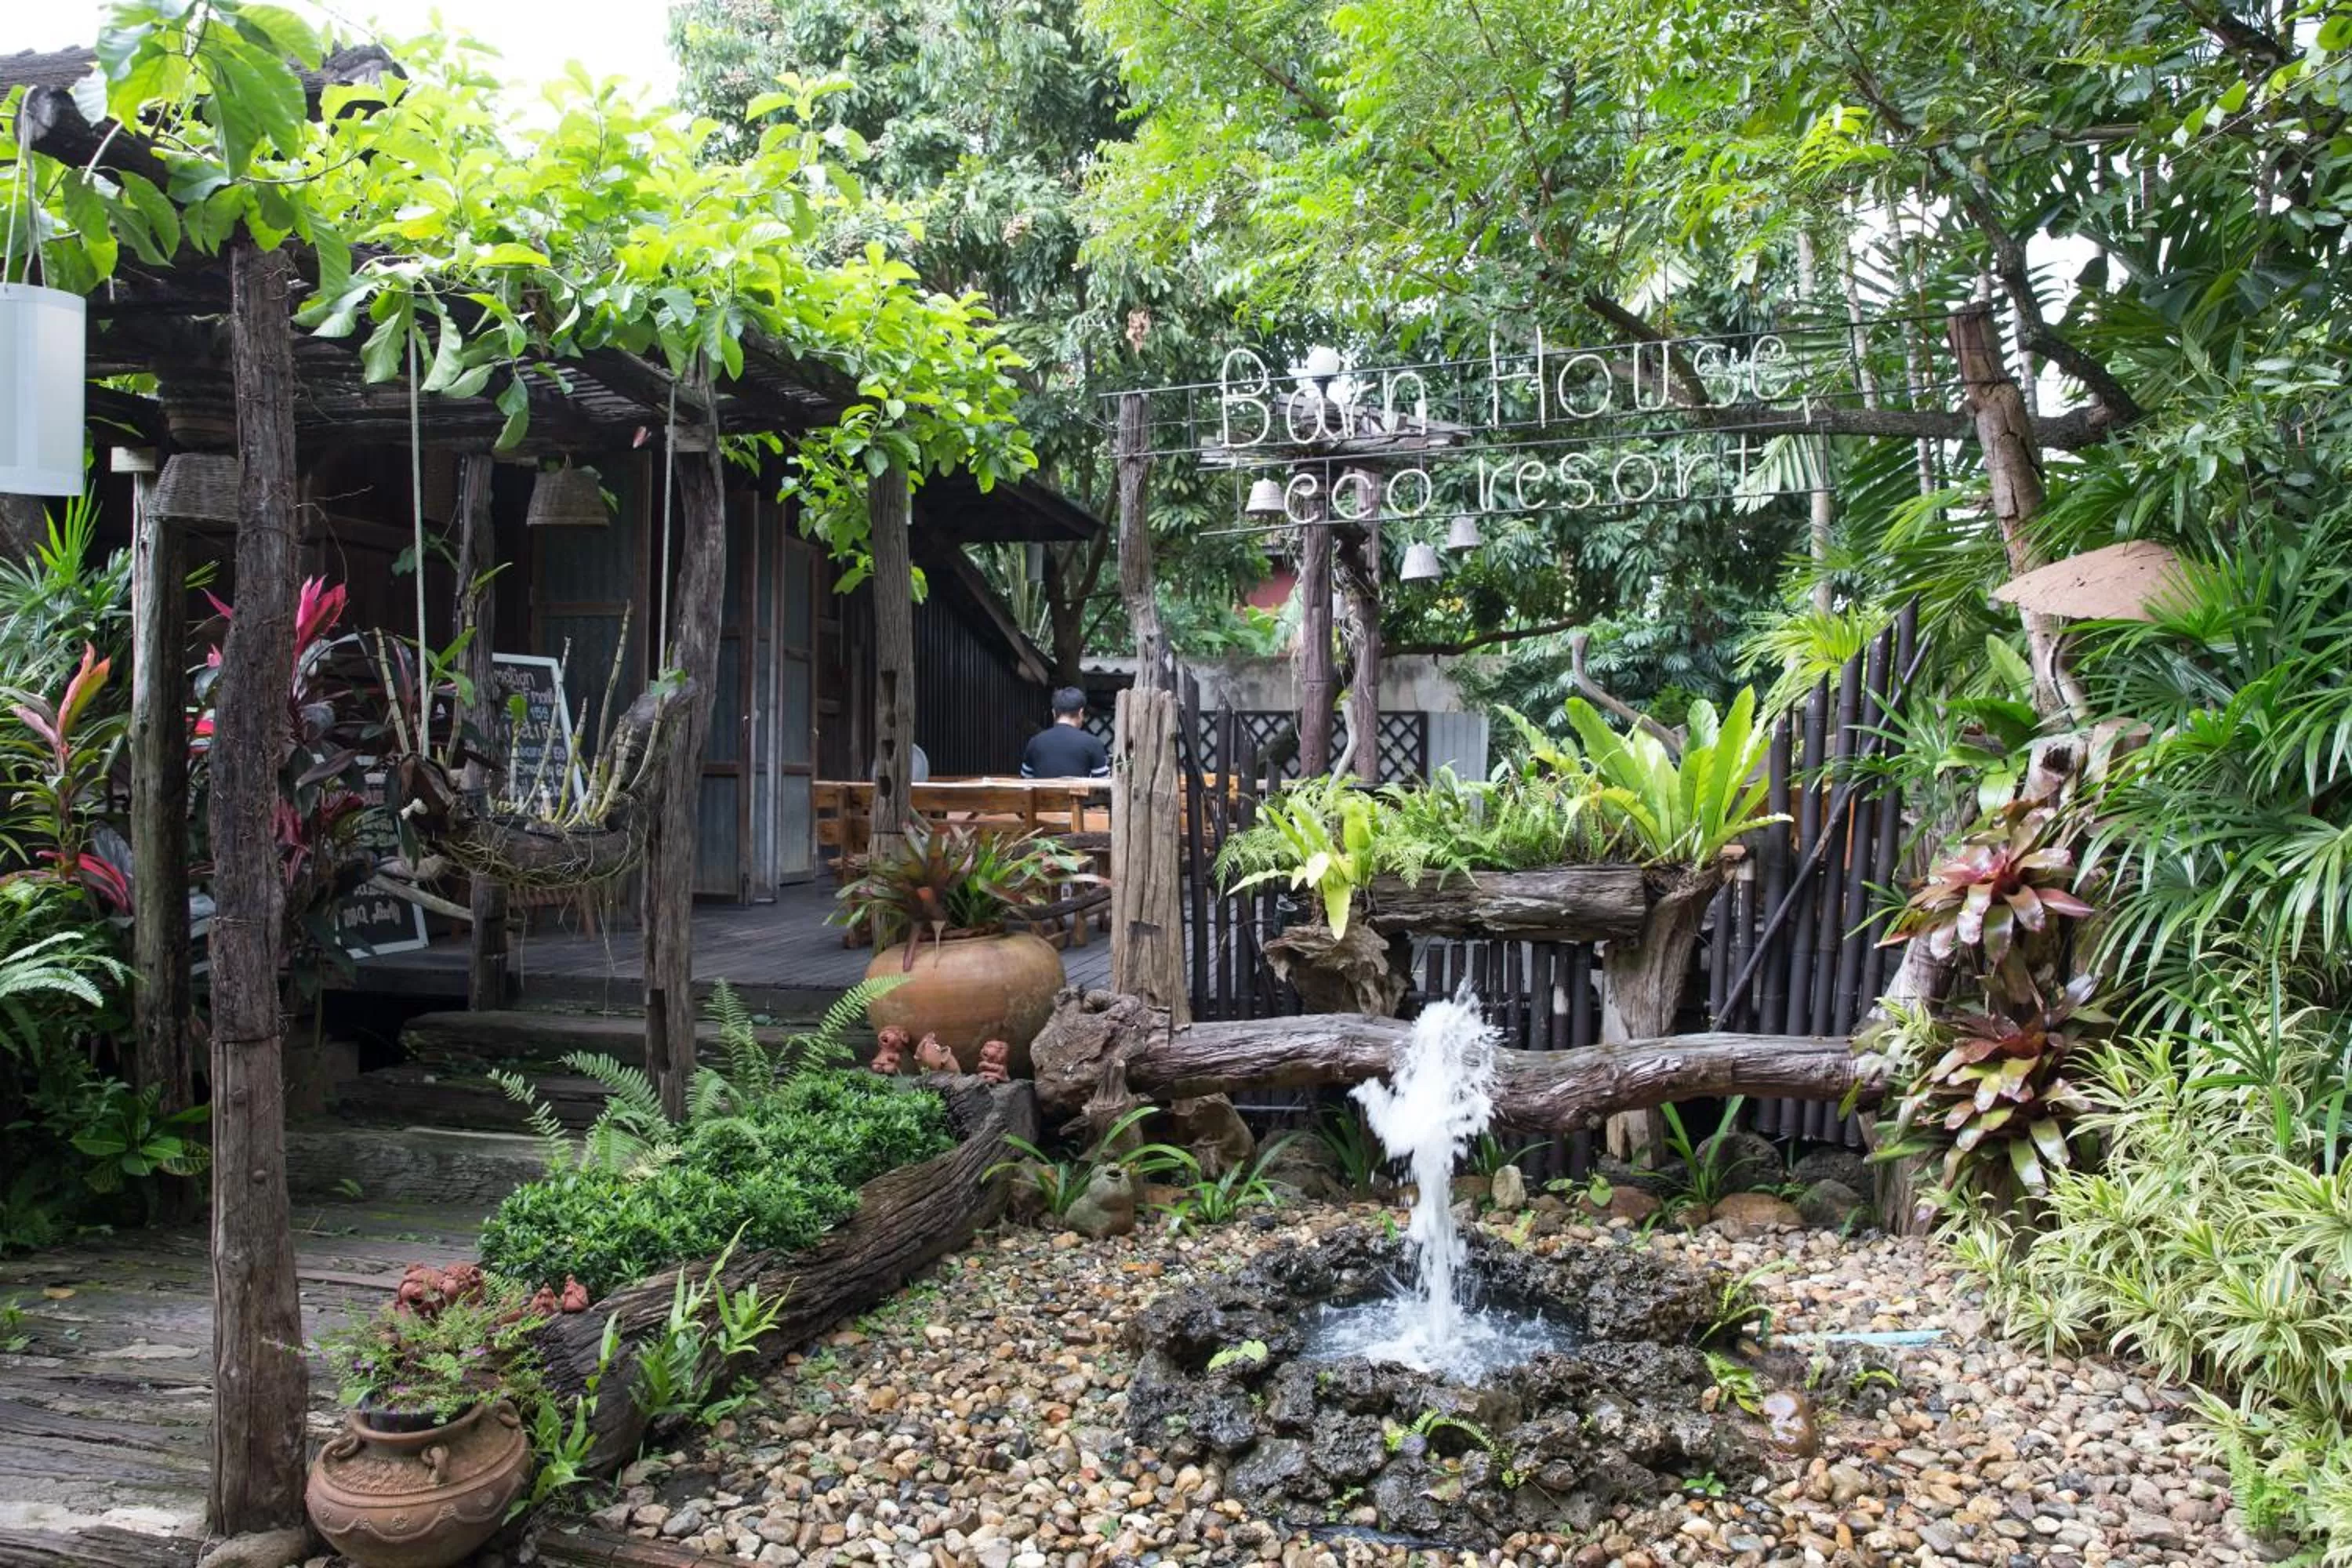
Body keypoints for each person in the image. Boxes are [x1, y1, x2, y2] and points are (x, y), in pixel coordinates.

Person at [1021, 686, 1110, 778]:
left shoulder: (1035, 742)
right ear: (1081, 713)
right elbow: (1102, 783)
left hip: (1043, 792)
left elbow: (1026, 779)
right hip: (1077, 792)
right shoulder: (1093, 743)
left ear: (1054, 713)